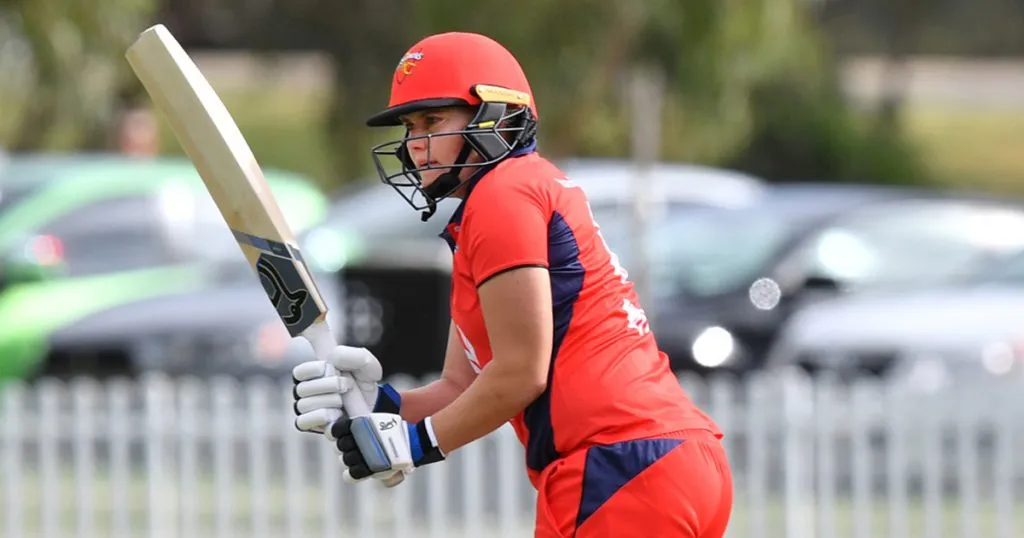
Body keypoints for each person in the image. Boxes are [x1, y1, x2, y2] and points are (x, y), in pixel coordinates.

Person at [292, 31, 733, 537]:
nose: (415, 144)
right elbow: (466, 388)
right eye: (411, 127)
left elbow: (523, 373)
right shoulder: (497, 203)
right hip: (656, 461)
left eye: (434, 120)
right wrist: (385, 405)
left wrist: (415, 445)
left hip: (620, 465)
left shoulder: (503, 194)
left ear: (495, 117)